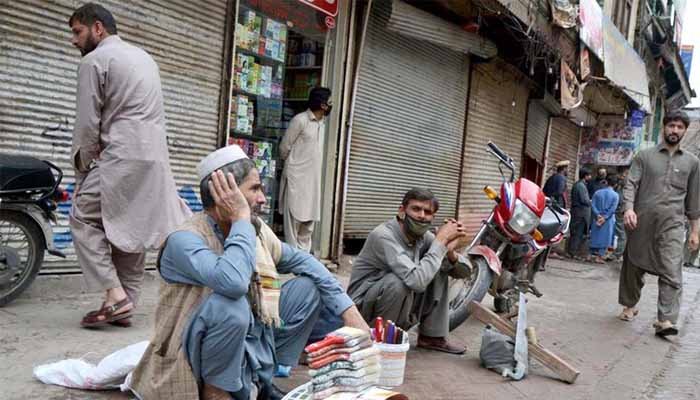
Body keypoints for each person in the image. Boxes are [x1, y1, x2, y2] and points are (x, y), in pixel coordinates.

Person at [129, 146, 369, 400]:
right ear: (223, 192)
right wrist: (241, 219)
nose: (263, 198)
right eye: (254, 189)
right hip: (190, 356)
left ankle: (261, 380)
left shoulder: (255, 229)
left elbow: (304, 261)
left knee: (307, 290)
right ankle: (216, 390)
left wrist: (350, 313)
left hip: (243, 338)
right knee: (231, 306)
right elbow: (233, 282)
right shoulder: (185, 239)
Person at [68, 4, 191, 328]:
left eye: (77, 32)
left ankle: (115, 294)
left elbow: (87, 123)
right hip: (154, 158)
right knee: (131, 226)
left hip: (122, 154)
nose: (74, 41)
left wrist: (81, 170)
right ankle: (126, 306)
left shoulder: (94, 61)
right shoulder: (144, 57)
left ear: (98, 28)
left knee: (82, 216)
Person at [346, 188, 470, 354]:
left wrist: (449, 252)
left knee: (437, 263)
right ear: (402, 211)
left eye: (428, 212)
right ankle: (381, 339)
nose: (421, 216)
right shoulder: (383, 235)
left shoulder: (425, 238)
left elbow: (464, 273)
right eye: (416, 209)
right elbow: (416, 281)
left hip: (398, 306)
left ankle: (431, 337)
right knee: (398, 282)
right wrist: (440, 242)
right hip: (362, 310)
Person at [618, 110, 700, 337]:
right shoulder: (644, 156)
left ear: (685, 131)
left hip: (672, 225)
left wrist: (695, 231)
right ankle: (629, 305)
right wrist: (629, 208)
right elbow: (631, 184)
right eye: (671, 125)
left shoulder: (692, 163)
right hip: (641, 222)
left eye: (680, 127)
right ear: (664, 127)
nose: (675, 130)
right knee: (633, 264)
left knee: (672, 268)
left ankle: (665, 320)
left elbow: (694, 200)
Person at [279, 87, 332, 252]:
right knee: (293, 221)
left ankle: (303, 258)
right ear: (322, 104)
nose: (331, 105)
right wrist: (294, 166)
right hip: (296, 179)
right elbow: (284, 148)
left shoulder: (322, 123)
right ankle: (292, 257)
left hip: (312, 181)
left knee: (308, 223)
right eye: (329, 101)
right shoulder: (300, 120)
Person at [588, 175, 619, 264]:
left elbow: (593, 205)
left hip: (596, 218)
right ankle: (599, 256)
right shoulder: (615, 195)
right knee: (605, 237)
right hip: (608, 220)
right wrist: (604, 217)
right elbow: (613, 209)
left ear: (606, 182)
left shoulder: (597, 193)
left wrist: (598, 215)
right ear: (616, 184)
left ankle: (590, 255)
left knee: (594, 235)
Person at [567, 168, 592, 259]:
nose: (590, 177)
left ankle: (572, 251)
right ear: (585, 176)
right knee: (577, 233)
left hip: (578, 212)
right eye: (589, 175)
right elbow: (584, 200)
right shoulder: (581, 186)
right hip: (580, 213)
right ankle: (573, 252)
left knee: (576, 232)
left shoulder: (579, 185)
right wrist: (590, 201)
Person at [609, 168, 629, 262]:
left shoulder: (626, 189)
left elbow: (622, 200)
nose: (622, 177)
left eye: (624, 175)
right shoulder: (620, 187)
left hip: (621, 212)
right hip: (618, 211)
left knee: (621, 234)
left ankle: (617, 254)